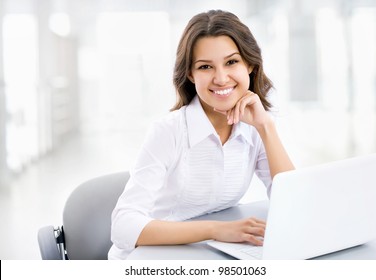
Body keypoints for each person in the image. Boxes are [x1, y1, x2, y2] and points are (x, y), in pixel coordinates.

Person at [108, 10, 294, 260]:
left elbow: (293, 202)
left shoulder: (254, 127)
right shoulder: (169, 131)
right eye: (205, 66)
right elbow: (123, 227)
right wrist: (215, 230)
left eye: (231, 62)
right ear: (190, 74)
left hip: (206, 256)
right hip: (148, 260)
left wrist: (266, 127)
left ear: (249, 64)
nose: (220, 78)